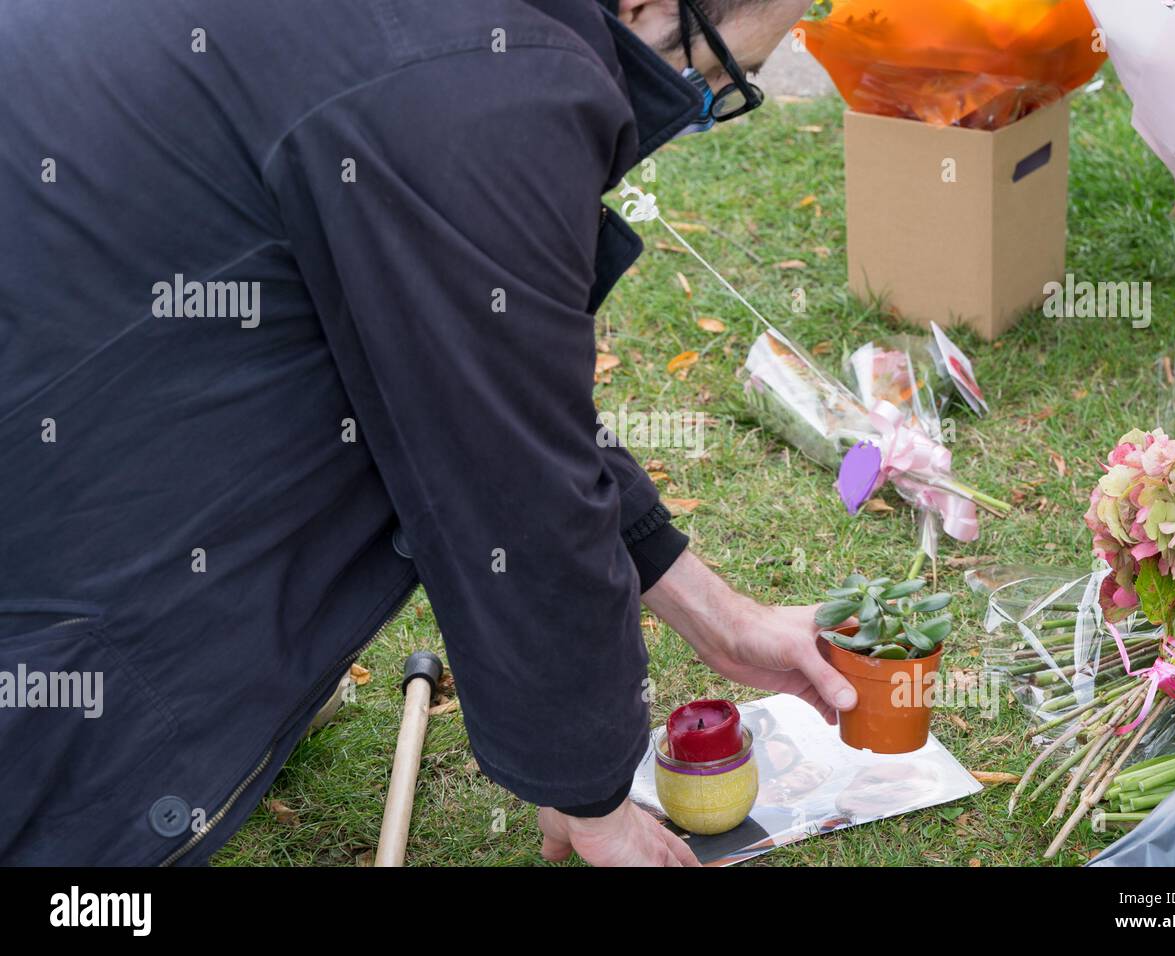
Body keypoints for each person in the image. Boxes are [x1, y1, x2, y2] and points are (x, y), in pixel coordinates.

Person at [0, 0, 853, 866]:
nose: (701, 104)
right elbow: (511, 481)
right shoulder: (486, 87)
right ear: (649, 7)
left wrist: (720, 619)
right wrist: (594, 796)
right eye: (712, 83)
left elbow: (489, 381)